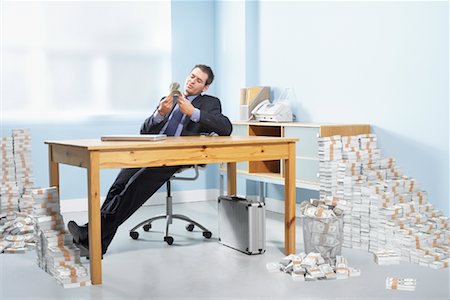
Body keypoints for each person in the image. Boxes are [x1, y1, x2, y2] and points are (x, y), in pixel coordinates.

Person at [68, 64, 232, 256]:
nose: (192, 81)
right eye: (192, 76)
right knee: (118, 186)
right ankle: (95, 244)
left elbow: (225, 127)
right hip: (150, 150)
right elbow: (144, 131)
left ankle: (90, 232)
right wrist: (159, 114)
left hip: (175, 156)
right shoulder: (169, 99)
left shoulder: (209, 103)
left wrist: (193, 112)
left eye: (199, 80)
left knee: (132, 188)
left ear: (205, 87)